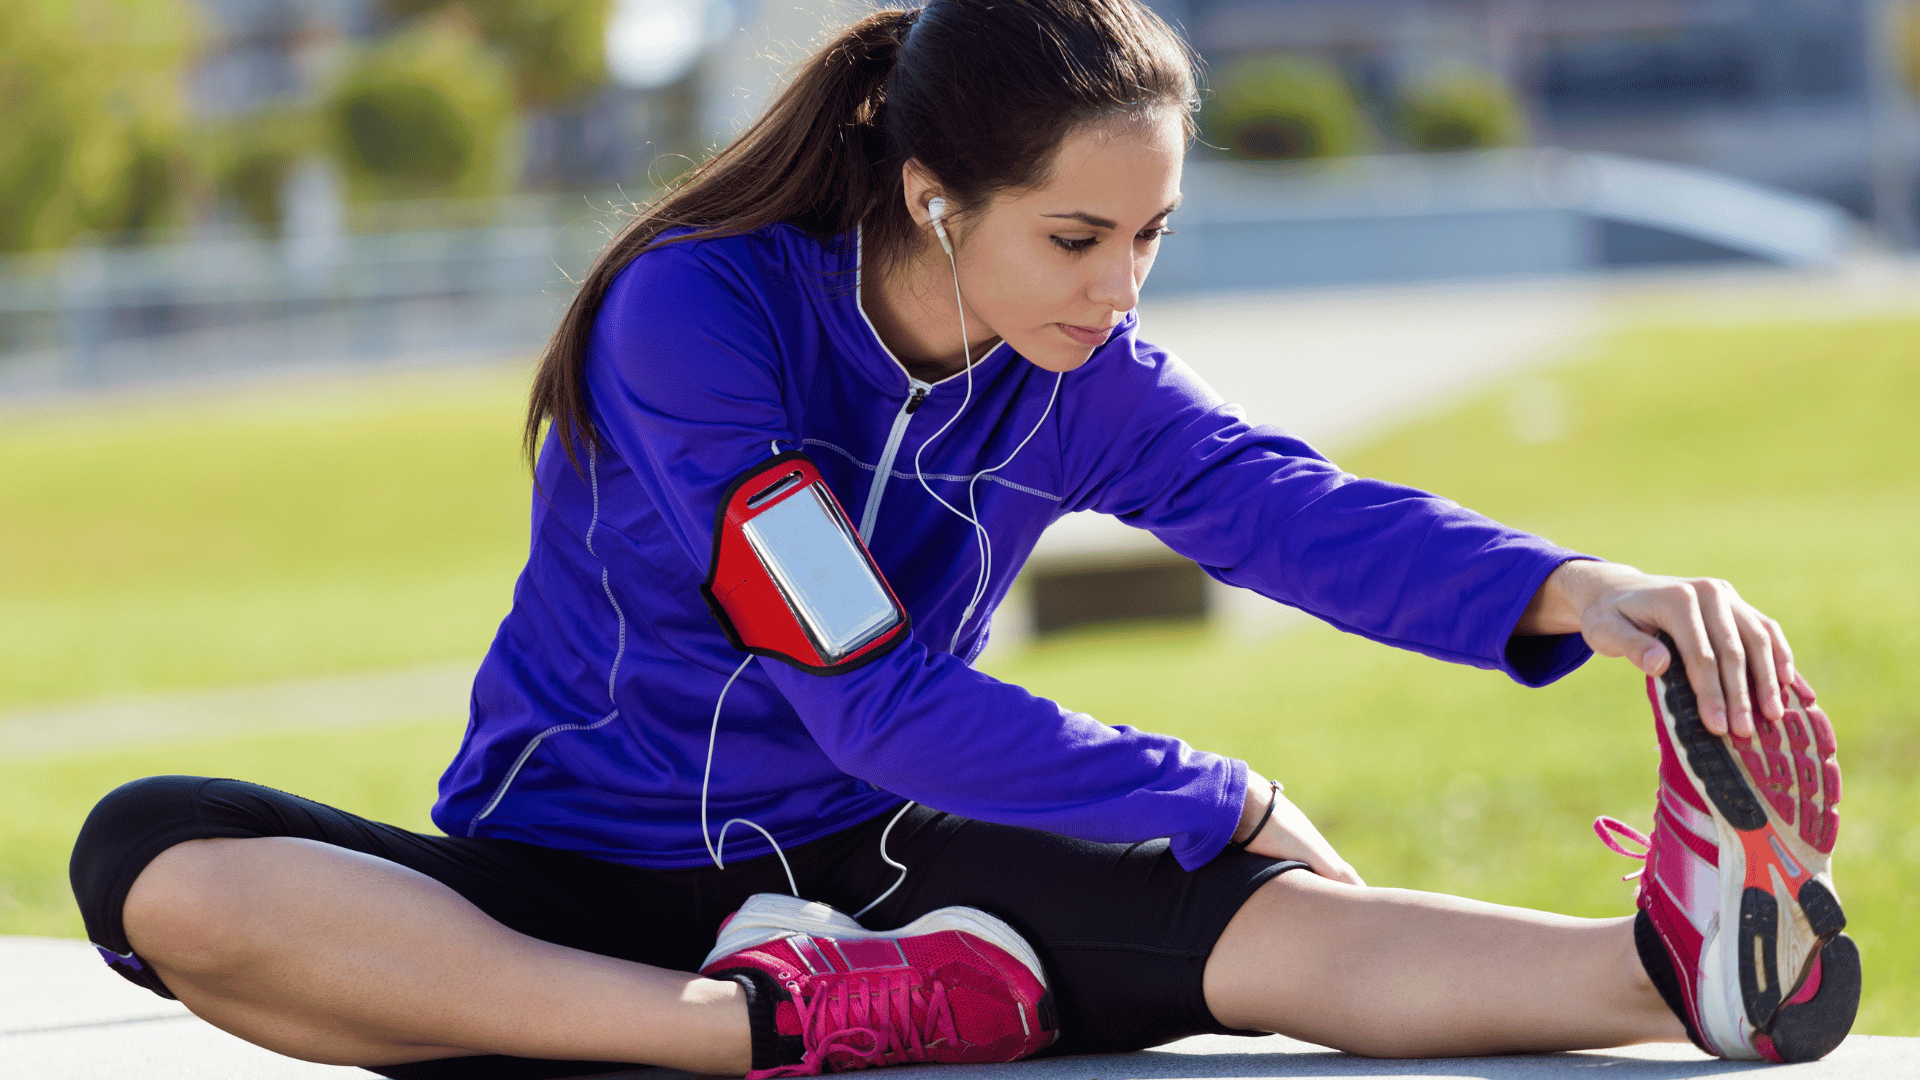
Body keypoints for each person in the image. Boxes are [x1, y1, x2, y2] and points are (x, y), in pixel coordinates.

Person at [68, 0, 1857, 1076]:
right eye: (1078, 236)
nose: (1121, 285)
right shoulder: (702, 319)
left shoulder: (1085, 370)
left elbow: (1299, 510)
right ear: (936, 195)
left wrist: (1581, 593)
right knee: (159, 864)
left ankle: (1667, 971)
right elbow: (859, 686)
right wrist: (1203, 786)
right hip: (572, 881)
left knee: (1283, 936)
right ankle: (755, 1032)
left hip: (889, 873)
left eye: (1152, 234)